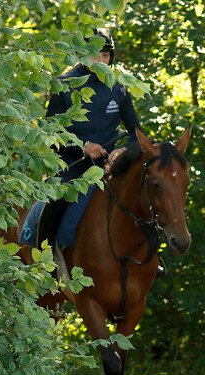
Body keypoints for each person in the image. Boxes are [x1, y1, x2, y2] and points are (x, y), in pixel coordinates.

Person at [40, 27, 141, 247]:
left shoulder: (120, 87)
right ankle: (47, 257)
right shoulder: (63, 84)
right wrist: (83, 146)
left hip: (107, 169)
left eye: (106, 55)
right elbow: (50, 133)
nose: (101, 60)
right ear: (82, 54)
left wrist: (122, 151)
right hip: (69, 166)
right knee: (53, 205)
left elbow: (136, 134)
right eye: (95, 54)